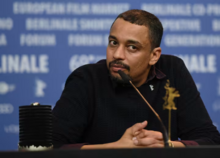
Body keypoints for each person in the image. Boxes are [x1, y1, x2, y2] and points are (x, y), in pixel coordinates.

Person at [52, 9, 220, 149]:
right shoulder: (86, 79)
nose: (117, 55)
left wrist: (167, 146)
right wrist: (117, 148)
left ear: (154, 56)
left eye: (132, 47)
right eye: (113, 42)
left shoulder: (172, 71)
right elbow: (50, 145)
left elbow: (210, 140)